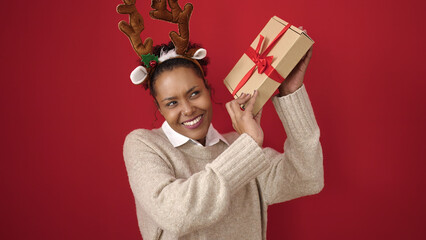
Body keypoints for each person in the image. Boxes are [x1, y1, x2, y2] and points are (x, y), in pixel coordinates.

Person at [117, 1, 323, 239]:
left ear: (208, 90)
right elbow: (177, 214)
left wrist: (290, 93)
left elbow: (307, 178)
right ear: (160, 109)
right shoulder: (144, 145)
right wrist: (248, 147)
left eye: (194, 93)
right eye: (172, 103)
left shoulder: (240, 144)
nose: (187, 109)